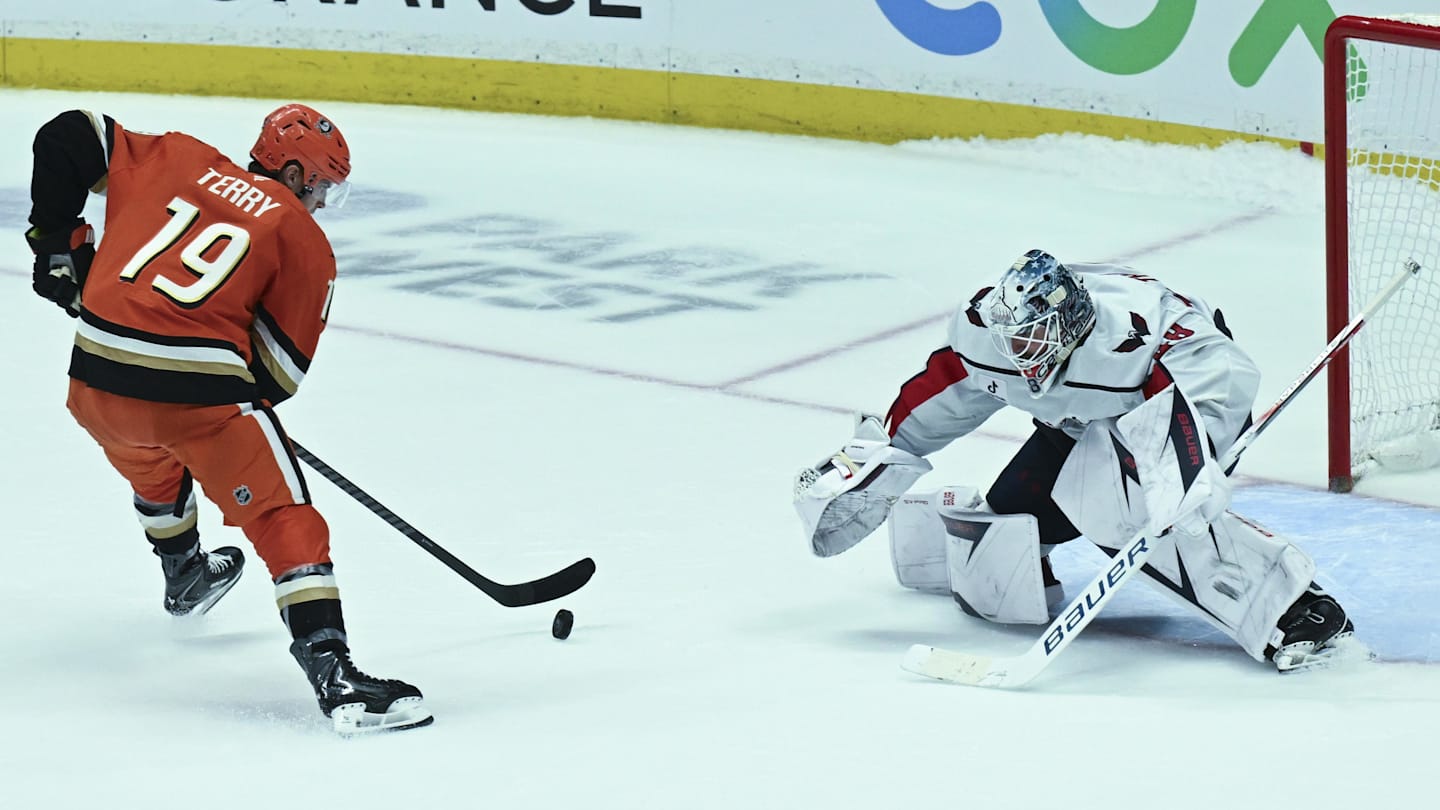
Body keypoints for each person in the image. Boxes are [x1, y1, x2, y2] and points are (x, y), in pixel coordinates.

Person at [25, 104, 432, 732]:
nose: (322, 201)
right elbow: (277, 377)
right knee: (282, 514)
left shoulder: (178, 158)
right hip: (196, 399)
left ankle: (184, 567)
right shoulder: (304, 240)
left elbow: (67, 133)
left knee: (151, 457)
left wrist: (57, 244)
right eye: (322, 185)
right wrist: (229, 399)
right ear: (295, 172)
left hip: (94, 379)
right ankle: (335, 674)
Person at [793, 249, 1358, 672]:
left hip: (1179, 415)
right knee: (996, 573)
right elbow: (947, 388)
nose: (1020, 356)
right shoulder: (994, 334)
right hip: (1078, 426)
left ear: (1069, 325)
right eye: (1015, 341)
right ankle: (956, 546)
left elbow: (1223, 378)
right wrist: (879, 456)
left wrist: (1191, 462)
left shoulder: (1140, 338)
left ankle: (1292, 607)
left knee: (1126, 504)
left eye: (1035, 340)